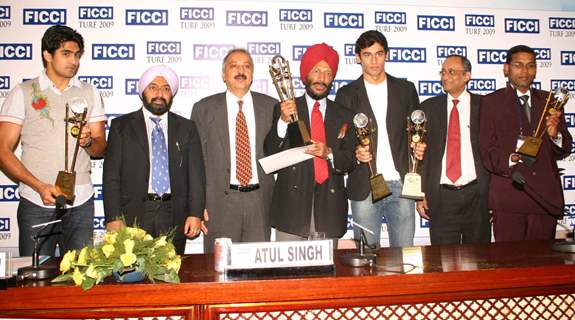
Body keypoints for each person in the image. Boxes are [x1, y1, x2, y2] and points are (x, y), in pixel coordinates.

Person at [0, 25, 106, 256]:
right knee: (35, 280)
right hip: (36, 201)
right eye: (66, 54)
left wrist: (88, 142)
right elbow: (3, 151)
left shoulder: (90, 92)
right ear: (47, 55)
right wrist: (38, 186)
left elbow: (100, 149)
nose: (74, 61)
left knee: (81, 278)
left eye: (77, 55)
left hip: (81, 201)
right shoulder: (23, 92)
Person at [103, 65, 205, 254]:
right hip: (132, 214)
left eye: (166, 88)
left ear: (172, 94)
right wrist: (113, 217)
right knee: (134, 275)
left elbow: (196, 176)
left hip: (174, 213)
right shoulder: (121, 127)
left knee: (171, 273)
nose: (160, 93)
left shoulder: (187, 128)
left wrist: (195, 213)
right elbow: (111, 176)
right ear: (142, 92)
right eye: (153, 87)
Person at [335, 30, 422, 248]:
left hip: (401, 184)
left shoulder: (406, 89)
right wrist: (355, 152)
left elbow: (418, 132)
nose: (374, 61)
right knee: (366, 258)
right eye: (367, 54)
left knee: (405, 255)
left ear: (387, 55)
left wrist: (419, 146)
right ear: (357, 57)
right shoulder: (346, 94)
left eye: (379, 54)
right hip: (364, 184)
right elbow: (341, 142)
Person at [264, 43, 356, 243]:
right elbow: (270, 153)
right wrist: (282, 121)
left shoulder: (344, 115)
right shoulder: (285, 108)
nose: (322, 78)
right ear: (306, 74)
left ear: (333, 79)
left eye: (328, 73)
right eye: (316, 71)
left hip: (329, 210)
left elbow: (351, 161)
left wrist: (329, 153)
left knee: (326, 273)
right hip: (291, 209)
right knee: (288, 273)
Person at [479, 45, 572, 241]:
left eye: (530, 65)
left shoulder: (550, 101)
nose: (525, 71)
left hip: (544, 197)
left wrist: (555, 135)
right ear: (506, 69)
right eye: (518, 65)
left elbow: (565, 148)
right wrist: (510, 159)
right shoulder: (491, 102)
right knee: (509, 263)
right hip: (509, 196)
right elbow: (486, 150)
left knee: (542, 264)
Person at [191, 49, 277, 252]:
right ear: (223, 74)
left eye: (247, 66)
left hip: (259, 202)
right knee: (219, 271)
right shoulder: (204, 108)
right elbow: (195, 162)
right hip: (219, 204)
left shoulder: (272, 106)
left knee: (257, 270)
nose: (241, 70)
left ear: (253, 74)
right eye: (234, 66)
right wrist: (196, 205)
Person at [417, 55, 491, 245]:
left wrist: (495, 197)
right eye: (443, 72)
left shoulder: (485, 106)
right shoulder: (428, 108)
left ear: (467, 76)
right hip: (441, 197)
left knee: (479, 260)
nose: (445, 77)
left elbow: (494, 153)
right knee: (443, 262)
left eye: (451, 72)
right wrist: (420, 194)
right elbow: (418, 157)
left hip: (477, 195)